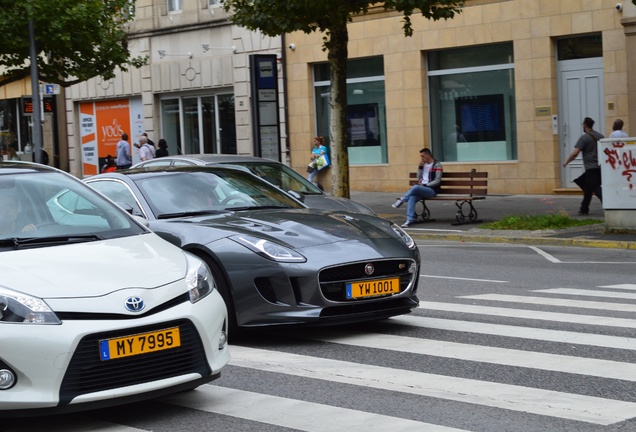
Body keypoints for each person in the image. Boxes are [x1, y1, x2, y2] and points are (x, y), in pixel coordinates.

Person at [392, 148, 443, 227]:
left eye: (423, 156)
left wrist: (425, 185)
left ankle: (402, 200)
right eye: (421, 156)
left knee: (416, 187)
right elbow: (418, 178)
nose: (421, 158)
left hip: (431, 190)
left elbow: (437, 180)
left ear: (428, 155)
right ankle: (409, 220)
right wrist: (420, 167)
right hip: (421, 189)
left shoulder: (437, 165)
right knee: (412, 197)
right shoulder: (423, 165)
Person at [563, 117, 604, 215]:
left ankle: (609, 204)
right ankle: (584, 209)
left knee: (595, 188)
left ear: (585, 125)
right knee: (585, 185)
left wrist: (566, 162)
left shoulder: (584, 138)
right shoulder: (601, 136)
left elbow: (575, 153)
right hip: (600, 167)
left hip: (591, 168)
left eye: (583, 124)